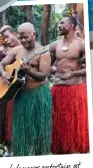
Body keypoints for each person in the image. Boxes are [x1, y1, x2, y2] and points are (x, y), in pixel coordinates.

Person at [0, 22, 52, 156]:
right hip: (21, 96)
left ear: (33, 35)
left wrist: (29, 71)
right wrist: (3, 74)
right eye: (21, 37)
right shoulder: (16, 50)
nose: (23, 40)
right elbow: (1, 64)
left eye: (26, 37)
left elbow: (43, 75)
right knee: (22, 134)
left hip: (39, 96)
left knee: (39, 133)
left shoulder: (43, 51)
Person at [50, 16, 89, 154]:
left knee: (76, 123)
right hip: (58, 88)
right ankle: (62, 152)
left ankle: (77, 152)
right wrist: (54, 70)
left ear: (71, 26)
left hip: (75, 88)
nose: (59, 25)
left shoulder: (81, 44)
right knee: (60, 123)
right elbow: (47, 65)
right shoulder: (55, 45)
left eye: (62, 23)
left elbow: (89, 67)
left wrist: (72, 74)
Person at [0, 25, 21, 157]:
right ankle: (8, 150)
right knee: (5, 120)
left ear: (15, 33)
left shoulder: (26, 49)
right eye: (2, 37)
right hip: (7, 90)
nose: (4, 39)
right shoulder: (3, 51)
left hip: (24, 92)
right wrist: (4, 74)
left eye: (6, 36)